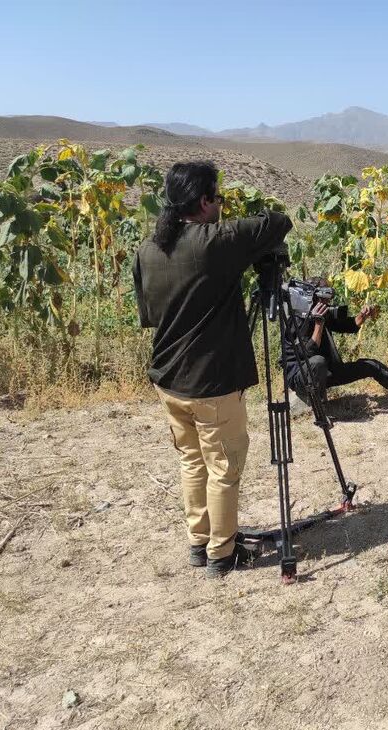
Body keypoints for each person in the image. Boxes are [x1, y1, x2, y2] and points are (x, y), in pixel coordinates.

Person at [133, 160, 292, 578]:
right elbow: (279, 221)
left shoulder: (149, 249)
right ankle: (223, 553)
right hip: (212, 384)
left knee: (192, 462)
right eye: (217, 198)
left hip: (169, 380)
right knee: (224, 468)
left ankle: (199, 543)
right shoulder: (215, 240)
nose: (220, 206)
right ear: (204, 201)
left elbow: (150, 314)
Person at [281, 278, 388, 410]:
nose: (327, 302)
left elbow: (348, 326)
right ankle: (320, 410)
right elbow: (308, 354)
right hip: (301, 376)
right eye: (324, 298)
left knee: (370, 365)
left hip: (326, 372)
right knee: (318, 362)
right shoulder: (298, 320)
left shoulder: (321, 312)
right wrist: (318, 324)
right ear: (313, 297)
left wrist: (363, 316)